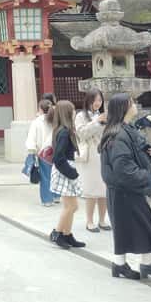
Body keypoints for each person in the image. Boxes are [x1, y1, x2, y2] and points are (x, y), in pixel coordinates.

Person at [100, 93, 151, 280]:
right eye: (131, 103)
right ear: (124, 108)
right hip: (125, 189)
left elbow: (135, 155)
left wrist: (149, 154)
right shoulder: (119, 135)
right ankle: (145, 263)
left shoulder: (124, 130)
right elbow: (123, 167)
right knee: (142, 226)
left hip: (123, 189)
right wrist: (144, 176)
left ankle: (121, 264)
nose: (135, 106)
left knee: (128, 228)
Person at [49, 100, 86, 249]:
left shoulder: (61, 130)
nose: (75, 112)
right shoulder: (64, 132)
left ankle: (67, 234)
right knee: (71, 206)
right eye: (73, 110)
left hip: (64, 169)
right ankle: (58, 233)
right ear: (67, 113)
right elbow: (58, 157)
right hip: (65, 170)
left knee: (71, 206)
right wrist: (72, 173)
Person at [75, 89, 110, 232]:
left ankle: (102, 220)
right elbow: (81, 134)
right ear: (88, 100)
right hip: (90, 156)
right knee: (91, 190)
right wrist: (97, 122)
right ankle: (89, 221)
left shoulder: (102, 115)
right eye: (95, 100)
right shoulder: (81, 116)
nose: (97, 103)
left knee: (104, 189)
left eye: (100, 100)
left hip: (104, 154)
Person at [25, 99, 56, 206]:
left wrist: (31, 150)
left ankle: (47, 199)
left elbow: (31, 138)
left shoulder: (37, 122)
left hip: (43, 152)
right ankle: (56, 196)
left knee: (45, 176)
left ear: (40, 109)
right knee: (56, 174)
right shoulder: (55, 120)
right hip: (55, 150)